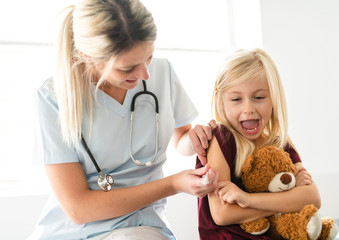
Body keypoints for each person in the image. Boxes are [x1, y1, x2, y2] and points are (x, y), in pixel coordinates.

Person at [28, 0, 218, 239]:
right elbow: (79, 208)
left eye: (149, 57)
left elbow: (180, 137)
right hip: (74, 230)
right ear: (88, 56)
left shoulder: (163, 72)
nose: (145, 74)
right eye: (128, 68)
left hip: (141, 224)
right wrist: (173, 184)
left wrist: (195, 139)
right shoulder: (52, 97)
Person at [196, 48, 321, 239]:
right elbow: (222, 214)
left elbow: (312, 198)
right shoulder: (220, 139)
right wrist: (287, 200)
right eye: (236, 99)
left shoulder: (280, 142)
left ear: (274, 97)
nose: (248, 109)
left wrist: (246, 199)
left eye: (259, 97)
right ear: (220, 100)